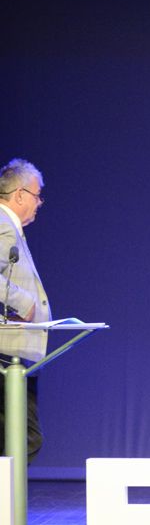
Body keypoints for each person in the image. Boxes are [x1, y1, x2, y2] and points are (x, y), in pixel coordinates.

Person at [0, 159, 49, 461]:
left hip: (13, 355)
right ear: (19, 195)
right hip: (8, 355)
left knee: (15, 439)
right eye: (36, 194)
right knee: (26, 439)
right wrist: (24, 303)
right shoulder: (4, 227)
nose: (39, 202)